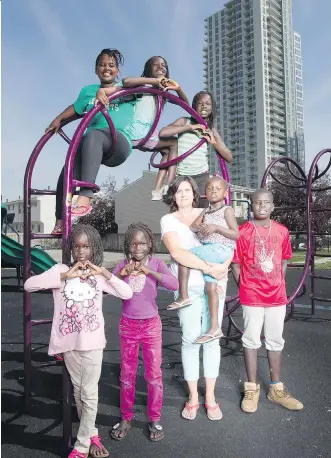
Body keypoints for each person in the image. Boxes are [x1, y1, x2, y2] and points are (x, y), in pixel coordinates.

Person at [24, 224, 133, 458]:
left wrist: (104, 272)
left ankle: (82, 446)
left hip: (93, 343)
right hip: (68, 343)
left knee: (89, 393)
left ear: (94, 248)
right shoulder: (60, 270)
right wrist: (65, 276)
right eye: (77, 246)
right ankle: (92, 432)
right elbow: (29, 285)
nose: (81, 251)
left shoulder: (98, 275)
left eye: (86, 246)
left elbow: (127, 293)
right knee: (79, 392)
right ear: (71, 248)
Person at [161, 176, 233, 422]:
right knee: (191, 340)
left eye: (187, 190)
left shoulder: (211, 211)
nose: (182, 194)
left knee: (211, 340)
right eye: (178, 191)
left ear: (195, 193)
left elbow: (229, 243)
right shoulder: (168, 220)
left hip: (214, 284)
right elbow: (177, 252)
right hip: (189, 286)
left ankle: (210, 397)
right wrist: (208, 266)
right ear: (173, 195)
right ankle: (193, 396)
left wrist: (223, 266)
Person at [46, 48, 137, 234]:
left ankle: (86, 195)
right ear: (96, 70)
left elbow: (140, 90)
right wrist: (58, 119)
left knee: (94, 134)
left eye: (111, 65)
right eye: (102, 65)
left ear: (117, 71)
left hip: (117, 142)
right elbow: (76, 109)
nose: (106, 68)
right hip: (92, 145)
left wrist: (105, 92)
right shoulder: (88, 91)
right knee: (68, 169)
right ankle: (61, 220)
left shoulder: (126, 88)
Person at [232, 189, 304, 413]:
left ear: (272, 206)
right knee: (251, 339)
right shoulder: (242, 232)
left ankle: (275, 388)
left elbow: (283, 260)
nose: (261, 206)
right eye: (257, 203)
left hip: (276, 296)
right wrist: (244, 285)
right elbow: (235, 264)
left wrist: (278, 282)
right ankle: (251, 388)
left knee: (275, 340)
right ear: (250, 206)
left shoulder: (282, 231)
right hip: (251, 294)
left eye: (266, 203)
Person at [110, 223, 179, 442]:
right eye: (133, 243)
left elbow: (174, 284)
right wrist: (122, 273)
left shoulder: (158, 264)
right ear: (128, 246)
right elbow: (109, 285)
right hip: (128, 325)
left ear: (150, 244)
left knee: (153, 375)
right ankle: (126, 417)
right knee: (127, 375)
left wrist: (149, 271)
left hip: (151, 326)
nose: (138, 247)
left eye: (142, 243)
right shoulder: (122, 265)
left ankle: (154, 417)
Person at [96, 55, 189, 201]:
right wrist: (154, 81)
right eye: (156, 65)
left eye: (163, 65)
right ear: (148, 70)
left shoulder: (163, 93)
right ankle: (169, 185)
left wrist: (178, 88)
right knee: (174, 144)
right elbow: (127, 81)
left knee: (168, 151)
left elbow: (186, 104)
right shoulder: (143, 87)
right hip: (136, 132)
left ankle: (158, 189)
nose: (160, 67)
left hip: (146, 134)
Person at [168, 175, 239, 344]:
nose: (213, 191)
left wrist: (216, 227)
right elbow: (193, 228)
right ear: (205, 193)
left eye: (218, 188)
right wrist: (203, 224)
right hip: (211, 251)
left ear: (225, 192)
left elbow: (236, 234)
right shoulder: (206, 211)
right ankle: (215, 328)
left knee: (185, 256)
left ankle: (183, 295)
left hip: (219, 249)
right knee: (211, 288)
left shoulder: (227, 210)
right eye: (210, 189)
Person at [159, 91, 232, 207]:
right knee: (181, 209)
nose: (204, 106)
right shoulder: (184, 121)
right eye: (200, 103)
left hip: (201, 176)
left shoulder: (211, 129)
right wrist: (189, 127)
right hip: (182, 175)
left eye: (208, 104)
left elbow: (228, 156)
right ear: (194, 106)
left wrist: (213, 141)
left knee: (201, 211)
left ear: (212, 108)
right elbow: (163, 133)